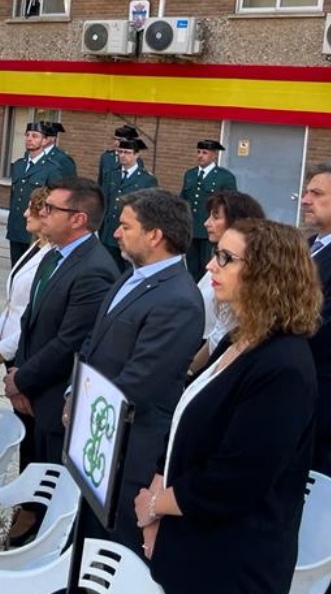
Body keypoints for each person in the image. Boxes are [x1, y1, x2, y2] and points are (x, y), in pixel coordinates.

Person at [135, 220, 322, 594]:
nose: (210, 265)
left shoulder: (284, 366)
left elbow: (236, 480)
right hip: (192, 539)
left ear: (267, 275)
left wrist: (156, 504)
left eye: (226, 257)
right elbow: (185, 426)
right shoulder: (242, 338)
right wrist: (155, 510)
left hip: (232, 562)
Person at [77, 188, 205, 552]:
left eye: (125, 226)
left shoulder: (179, 300)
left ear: (155, 235)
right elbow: (94, 339)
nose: (116, 233)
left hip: (129, 447)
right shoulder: (134, 275)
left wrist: (88, 411)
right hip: (101, 436)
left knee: (110, 545)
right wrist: (75, 392)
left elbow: (140, 381)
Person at [6, 177, 118, 463]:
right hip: (29, 391)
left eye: (52, 209)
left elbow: (69, 343)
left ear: (78, 219)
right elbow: (29, 321)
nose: (42, 213)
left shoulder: (94, 270)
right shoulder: (53, 256)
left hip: (54, 404)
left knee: (48, 488)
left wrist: (22, 379)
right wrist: (18, 372)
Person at [0, 186, 52, 470]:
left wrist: (4, 349)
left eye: (31, 209)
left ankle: (30, 506)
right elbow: (14, 301)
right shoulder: (37, 247)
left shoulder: (51, 257)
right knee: (22, 426)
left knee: (30, 429)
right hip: (10, 344)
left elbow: (36, 313)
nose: (24, 214)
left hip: (26, 350)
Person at [299, 162, 331, 479]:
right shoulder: (309, 246)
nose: (305, 199)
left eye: (316, 193)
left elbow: (326, 329)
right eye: (306, 192)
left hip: (319, 401)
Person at [188, 191, 265, 374]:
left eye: (216, 217)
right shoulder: (217, 266)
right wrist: (191, 371)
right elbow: (216, 334)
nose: (206, 223)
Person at [6, 121, 63, 265]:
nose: (29, 139)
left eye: (35, 136)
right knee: (16, 268)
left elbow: (54, 200)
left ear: (44, 141)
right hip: (17, 226)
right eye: (27, 135)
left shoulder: (52, 168)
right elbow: (14, 197)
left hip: (37, 228)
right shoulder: (19, 165)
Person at [181, 139, 238, 279]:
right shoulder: (190, 174)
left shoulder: (224, 177)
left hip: (211, 231)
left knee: (208, 267)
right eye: (198, 152)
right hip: (192, 230)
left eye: (204, 153)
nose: (200, 155)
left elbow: (231, 205)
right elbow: (183, 200)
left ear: (214, 155)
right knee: (191, 267)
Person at [99, 137, 158, 268]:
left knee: (128, 269)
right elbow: (105, 202)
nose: (123, 156)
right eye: (120, 152)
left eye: (127, 152)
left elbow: (148, 210)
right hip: (109, 232)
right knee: (108, 268)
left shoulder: (146, 179)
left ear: (136, 154)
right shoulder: (112, 175)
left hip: (130, 233)